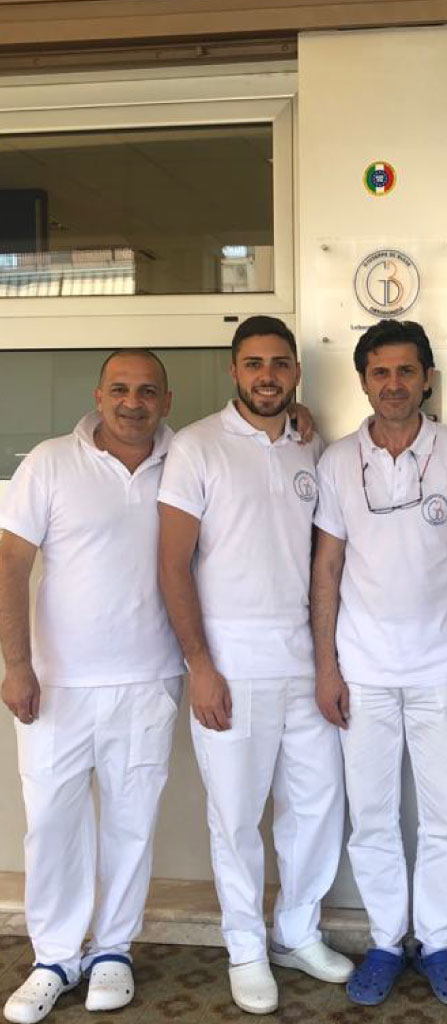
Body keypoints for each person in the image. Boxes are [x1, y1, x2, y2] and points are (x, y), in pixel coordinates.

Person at [157, 315, 352, 1016]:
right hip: (231, 665)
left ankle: (297, 932)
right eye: (253, 363)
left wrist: (327, 663)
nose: (267, 376)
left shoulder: (311, 445)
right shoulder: (196, 447)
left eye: (279, 363)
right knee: (236, 817)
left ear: (296, 372)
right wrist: (200, 666)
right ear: (234, 371)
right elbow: (172, 564)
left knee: (317, 805)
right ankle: (245, 946)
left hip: (305, 662)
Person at [311, 319, 447, 1007]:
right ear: (364, 381)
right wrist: (327, 667)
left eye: (405, 371)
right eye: (380, 372)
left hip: (442, 670)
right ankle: (388, 942)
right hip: (362, 671)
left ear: (427, 379)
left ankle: (439, 942)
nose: (393, 384)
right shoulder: (338, 462)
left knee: (446, 816)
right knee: (372, 818)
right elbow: (326, 568)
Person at [0, 350, 183, 1024]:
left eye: (147, 391)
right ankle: (53, 958)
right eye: (120, 389)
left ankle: (112, 950)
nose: (133, 402)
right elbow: (10, 563)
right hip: (57, 684)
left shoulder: (186, 460)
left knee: (131, 825)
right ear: (98, 396)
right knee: (52, 823)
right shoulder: (50, 462)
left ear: (166, 400)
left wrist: (300, 415)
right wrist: (16, 664)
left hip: (148, 677)